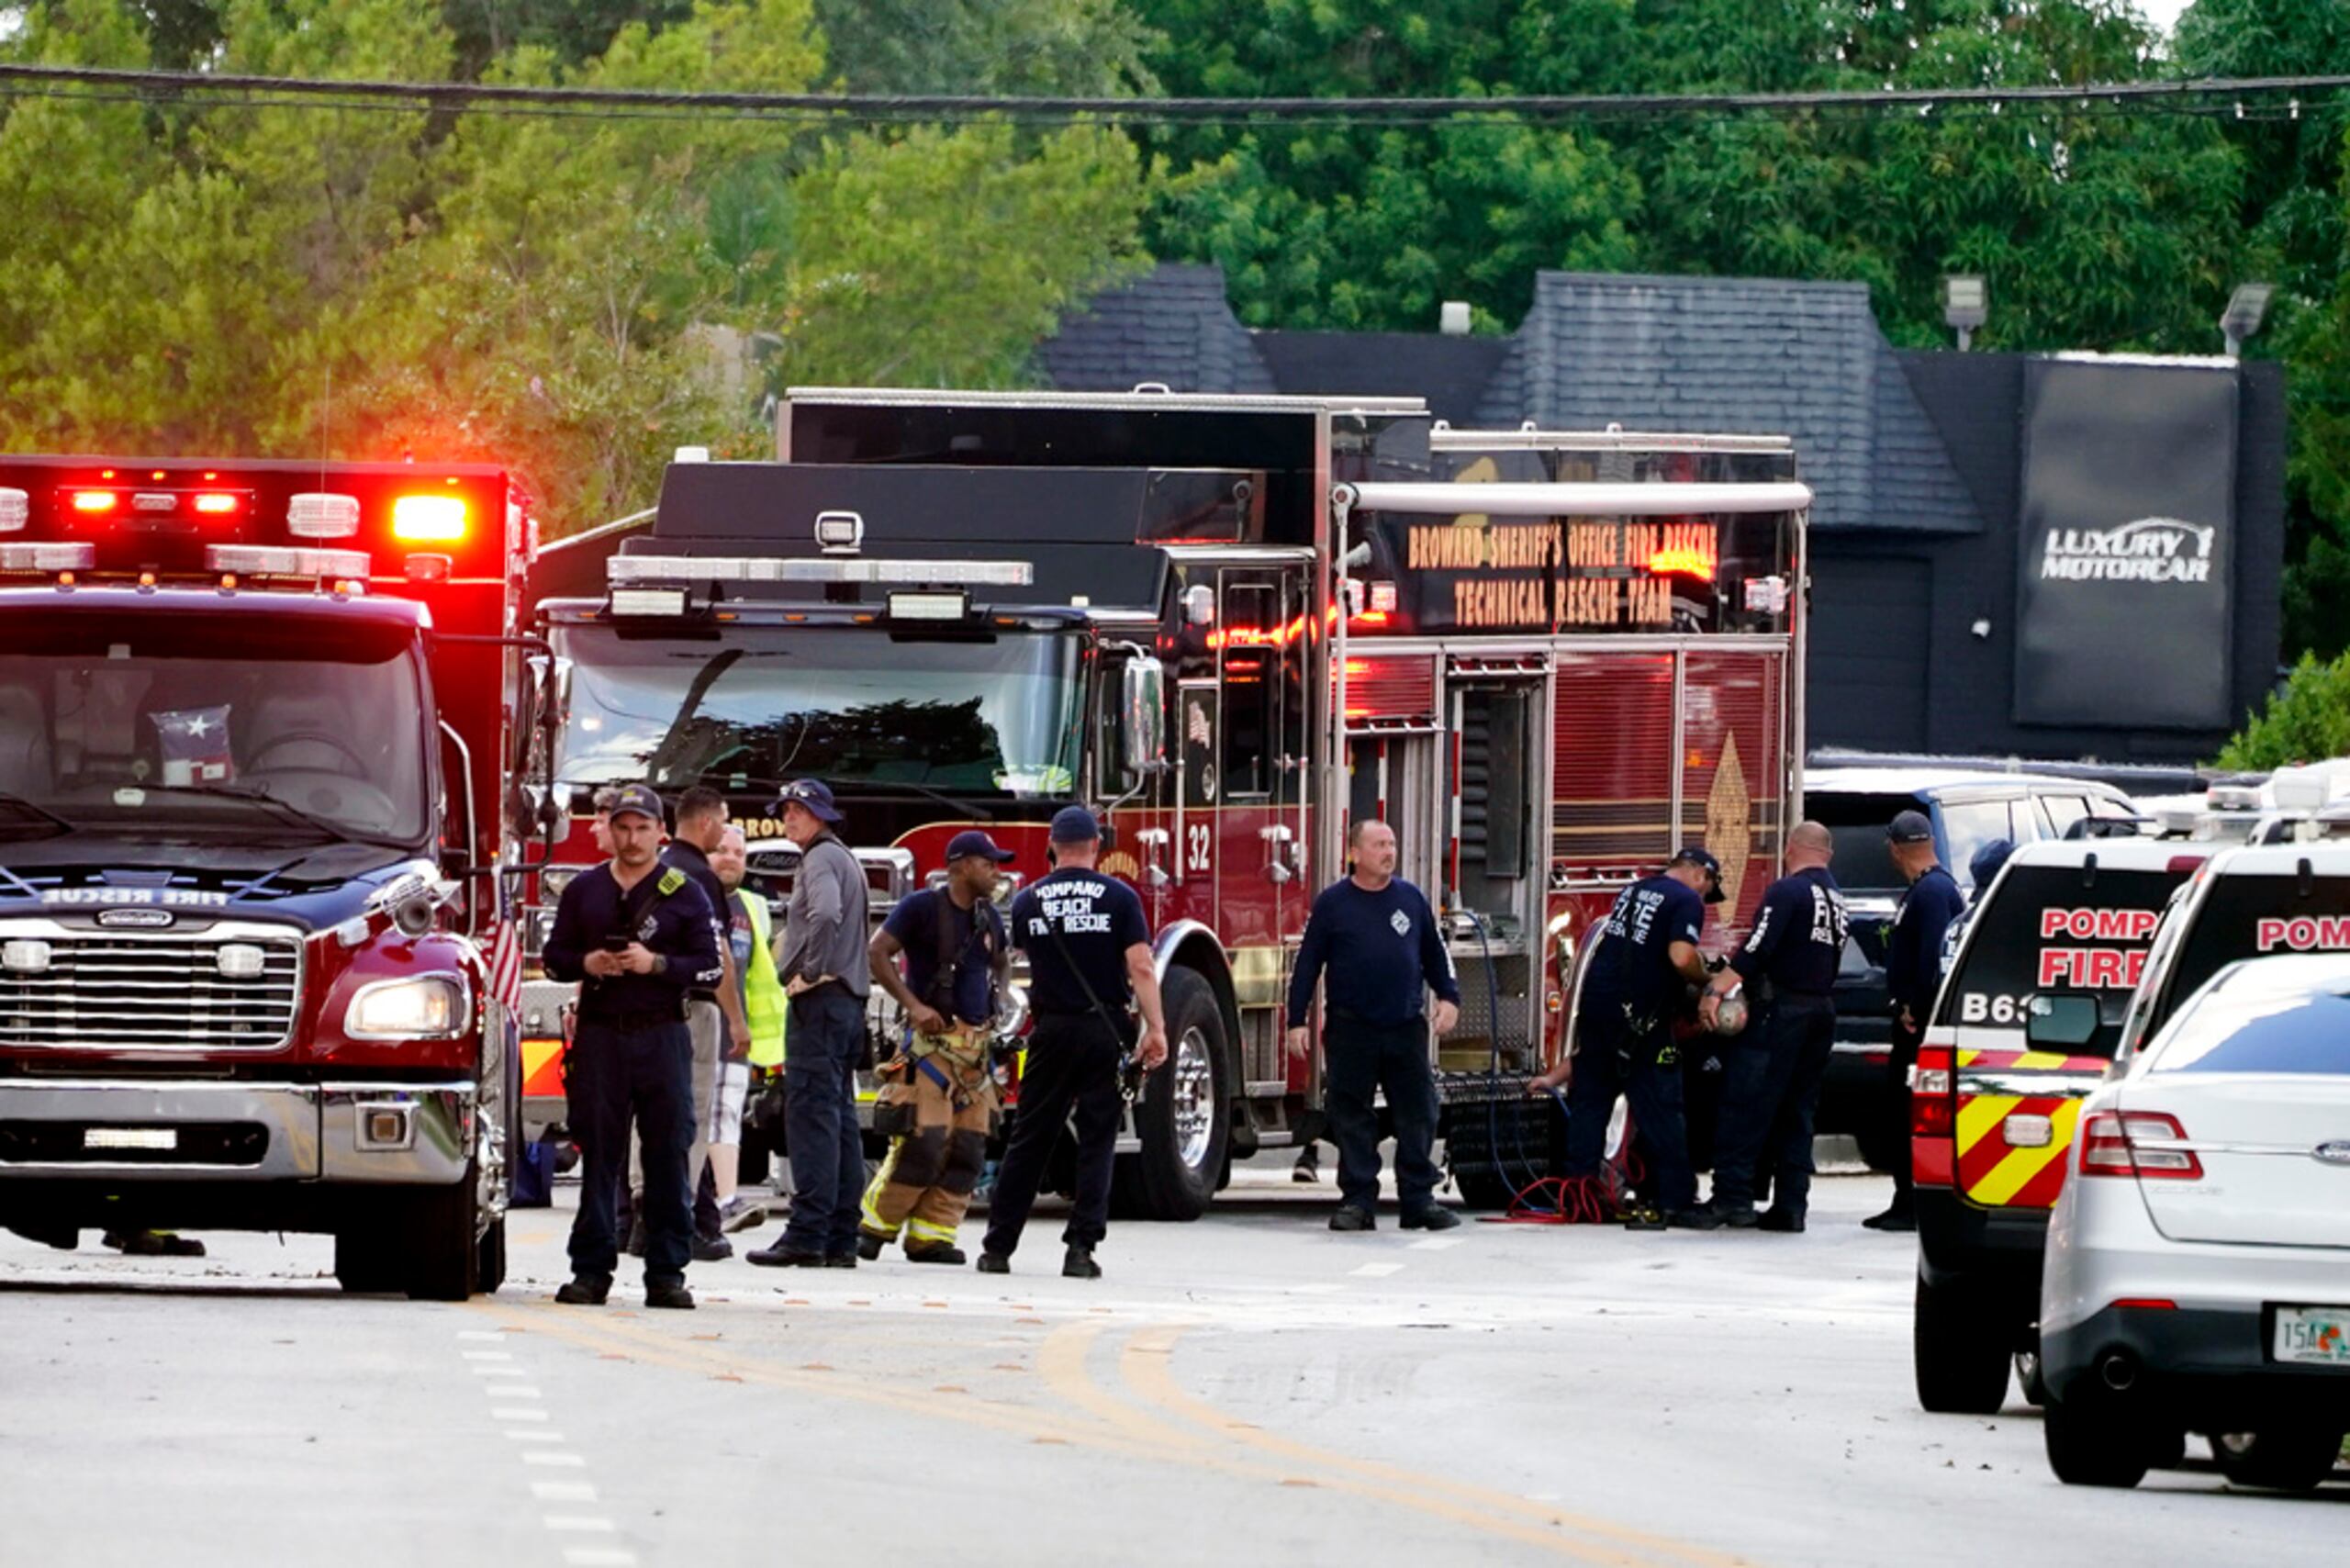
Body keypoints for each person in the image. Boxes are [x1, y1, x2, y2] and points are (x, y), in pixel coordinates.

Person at [542, 783, 721, 1309]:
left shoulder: (685, 890)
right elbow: (555, 957)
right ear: (609, 830)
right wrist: (588, 963)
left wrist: (657, 964)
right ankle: (591, 1269)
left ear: (660, 832)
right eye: (623, 826)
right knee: (598, 1152)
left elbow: (710, 966)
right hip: (601, 1033)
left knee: (667, 1150)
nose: (633, 837)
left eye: (643, 828)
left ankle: (667, 1273)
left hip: (663, 1032)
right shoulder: (584, 891)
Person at [979, 806, 1167, 1279]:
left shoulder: (1027, 902)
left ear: (1051, 848)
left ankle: (998, 1247)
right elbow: (1141, 967)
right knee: (1097, 1139)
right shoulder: (1121, 898)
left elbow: (1013, 961)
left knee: (1029, 1138)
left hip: (1050, 1029)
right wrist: (1156, 1029)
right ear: (1097, 847)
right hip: (1104, 1027)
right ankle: (1080, 1249)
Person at [1529, 846, 1723, 1229]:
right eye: (1707, 889)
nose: (1704, 899)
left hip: (1599, 1007)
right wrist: (1708, 981)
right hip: (1643, 1019)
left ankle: (1580, 1196)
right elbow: (1682, 957)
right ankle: (1675, 1200)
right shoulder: (1686, 900)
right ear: (1701, 875)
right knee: (1662, 1110)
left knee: (1590, 1103)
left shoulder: (1632, 891)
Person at [1284, 819, 1462, 1232]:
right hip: (1352, 1028)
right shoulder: (1333, 904)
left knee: (1418, 1112)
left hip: (1404, 1025)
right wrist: (1297, 1021)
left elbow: (1435, 955)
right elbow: (1307, 965)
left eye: (1392, 843)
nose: (1389, 851)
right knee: (1351, 1115)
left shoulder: (1411, 899)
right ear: (1355, 853)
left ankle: (1418, 1200)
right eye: (1379, 844)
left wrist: (1449, 998)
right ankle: (1358, 1201)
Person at [858, 829, 1013, 1264]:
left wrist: (998, 1000)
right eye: (989, 864)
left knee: (968, 1147)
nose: (996, 873)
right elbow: (877, 952)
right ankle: (874, 1226)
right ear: (962, 865)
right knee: (922, 1143)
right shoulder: (920, 908)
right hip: (930, 1049)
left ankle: (932, 1237)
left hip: (975, 1051)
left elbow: (1001, 963)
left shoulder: (989, 917)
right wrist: (913, 1004)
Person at [1699, 822, 1848, 1232]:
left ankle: (1732, 1199)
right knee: (1798, 1111)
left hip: (1781, 1010)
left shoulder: (1787, 891)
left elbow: (1757, 948)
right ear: (1827, 854)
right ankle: (1790, 1205)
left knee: (1746, 1101)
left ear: (1790, 848)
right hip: (1821, 1010)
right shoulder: (1837, 898)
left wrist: (1716, 989)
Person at [749, 779, 872, 1269]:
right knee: (839, 1118)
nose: (789, 819)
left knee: (811, 1118)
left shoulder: (820, 859)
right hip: (846, 1004)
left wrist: (809, 971)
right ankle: (840, 1235)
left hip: (821, 1004)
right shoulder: (843, 858)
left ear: (821, 815)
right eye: (786, 810)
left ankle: (807, 1232)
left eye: (799, 810)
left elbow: (824, 915)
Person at [624, 786, 750, 1262]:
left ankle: (639, 1214)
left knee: (647, 1113)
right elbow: (718, 957)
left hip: (645, 1008)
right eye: (722, 821)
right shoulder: (700, 877)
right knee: (689, 1116)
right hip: (693, 1008)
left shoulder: (649, 871)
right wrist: (736, 1021)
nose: (723, 833)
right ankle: (679, 1222)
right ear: (704, 823)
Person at [1866, 810, 1964, 1233]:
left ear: (1894, 848)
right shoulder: (1934, 889)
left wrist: (1915, 1007)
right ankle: (1904, 1198)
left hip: (1917, 1027)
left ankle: (1910, 1202)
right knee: (1899, 1114)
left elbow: (1934, 955)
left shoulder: (1930, 893)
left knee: (1908, 1114)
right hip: (1918, 1020)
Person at [711, 823, 780, 1236]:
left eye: (738, 853)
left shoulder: (754, 907)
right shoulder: (695, 898)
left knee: (727, 1118)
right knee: (699, 1121)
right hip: (698, 1031)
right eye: (721, 850)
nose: (730, 859)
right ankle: (711, 1202)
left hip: (737, 1037)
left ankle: (724, 1200)